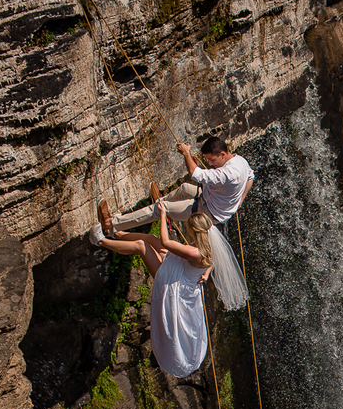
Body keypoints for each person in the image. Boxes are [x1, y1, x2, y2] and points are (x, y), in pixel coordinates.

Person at [89, 202, 248, 377]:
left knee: (142, 246)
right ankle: (116, 233)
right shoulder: (210, 244)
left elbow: (166, 241)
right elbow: (214, 260)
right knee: (151, 239)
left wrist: (163, 214)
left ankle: (100, 241)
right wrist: (207, 273)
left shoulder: (195, 253)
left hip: (174, 285)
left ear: (196, 231)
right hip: (181, 273)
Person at [97, 137, 255, 233]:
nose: (210, 163)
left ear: (222, 154)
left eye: (212, 160)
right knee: (185, 188)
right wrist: (240, 200)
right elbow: (250, 176)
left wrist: (186, 153)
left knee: (160, 209)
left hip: (207, 211)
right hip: (211, 198)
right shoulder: (239, 160)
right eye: (208, 160)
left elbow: (196, 174)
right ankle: (159, 199)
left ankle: (112, 225)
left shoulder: (229, 173)